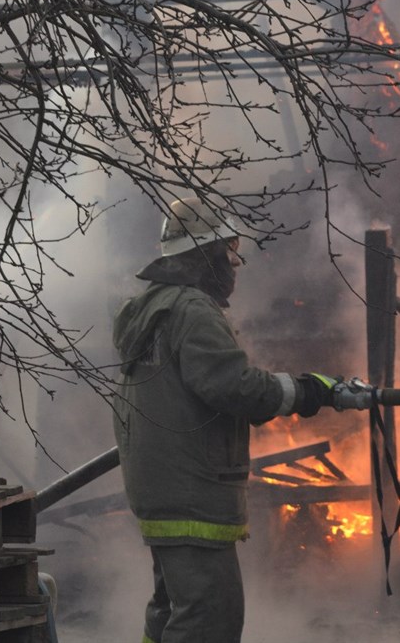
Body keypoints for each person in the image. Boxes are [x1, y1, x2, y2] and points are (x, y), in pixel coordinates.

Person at [112, 197, 339, 643]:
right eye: (228, 252)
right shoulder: (192, 311)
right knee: (209, 621)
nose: (234, 265)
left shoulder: (153, 308)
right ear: (206, 255)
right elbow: (233, 387)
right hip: (193, 493)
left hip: (164, 491)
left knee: (170, 614)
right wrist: (307, 389)